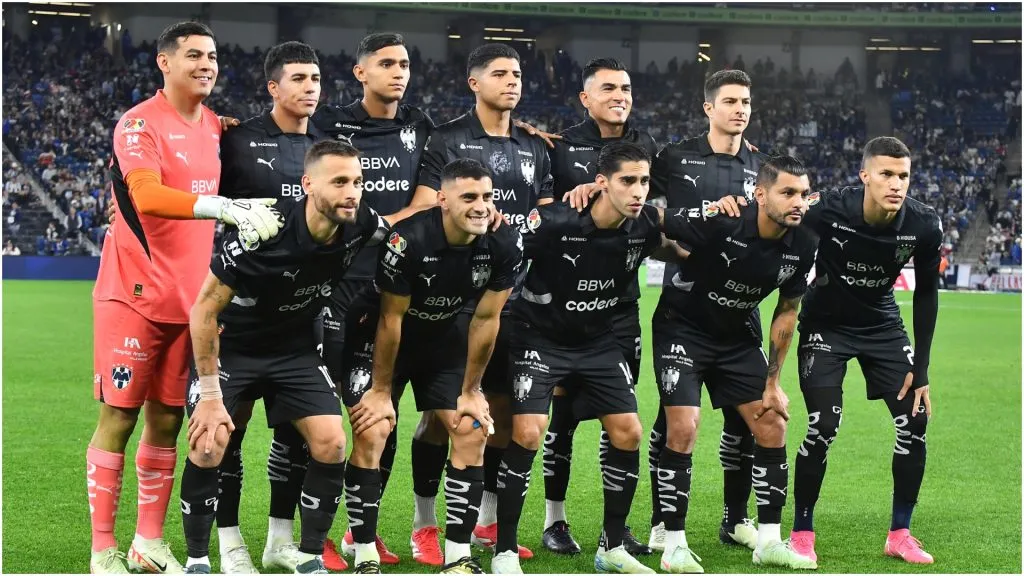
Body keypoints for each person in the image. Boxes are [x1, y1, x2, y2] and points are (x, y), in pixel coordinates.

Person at [87, 21, 282, 574]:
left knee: (169, 421)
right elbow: (146, 195)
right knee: (119, 419)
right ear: (164, 62)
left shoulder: (220, 128)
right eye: (194, 54)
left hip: (191, 302)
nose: (207, 64)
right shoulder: (138, 124)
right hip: (132, 294)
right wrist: (222, 207)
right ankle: (104, 548)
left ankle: (147, 544)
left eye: (213, 56)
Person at [180, 140, 390, 575]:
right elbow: (203, 310)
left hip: (294, 351)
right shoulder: (264, 230)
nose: (352, 192)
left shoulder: (361, 220)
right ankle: (197, 561)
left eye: (358, 182)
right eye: (340, 182)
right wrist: (212, 395)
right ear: (307, 184)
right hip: (233, 348)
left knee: (332, 442)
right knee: (209, 440)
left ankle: (307, 553)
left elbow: (406, 231)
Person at [493, 142, 675, 575]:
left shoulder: (645, 224)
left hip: (598, 343)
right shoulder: (554, 220)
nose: (638, 191)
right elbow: (508, 259)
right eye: (627, 181)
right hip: (539, 337)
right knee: (529, 432)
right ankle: (503, 549)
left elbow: (679, 245)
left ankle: (611, 547)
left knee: (628, 431)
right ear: (601, 184)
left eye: (644, 181)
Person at [406, 42, 554, 562]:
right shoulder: (446, 138)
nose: (512, 81)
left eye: (517, 74)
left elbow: (544, 214)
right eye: (499, 73)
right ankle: (425, 523)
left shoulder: (534, 146)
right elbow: (426, 207)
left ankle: (487, 521)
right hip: (454, 299)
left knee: (505, 414)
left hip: (516, 300)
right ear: (474, 82)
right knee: (439, 416)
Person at [342, 158, 523, 574]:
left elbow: (485, 319)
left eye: (487, 197)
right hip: (379, 338)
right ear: (442, 199)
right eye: (469, 197)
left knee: (471, 427)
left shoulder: (503, 243)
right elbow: (391, 320)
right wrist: (381, 391)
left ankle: (459, 555)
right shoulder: (409, 240)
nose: (481, 207)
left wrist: (472, 390)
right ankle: (365, 551)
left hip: (441, 339)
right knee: (374, 429)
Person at [649, 155, 818, 573]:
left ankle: (769, 542)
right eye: (787, 193)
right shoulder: (724, 219)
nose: (798, 202)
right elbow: (656, 218)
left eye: (803, 193)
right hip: (681, 328)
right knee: (684, 427)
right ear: (760, 194)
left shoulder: (805, 241)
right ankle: (673, 545)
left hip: (737, 336)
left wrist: (773, 381)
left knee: (772, 421)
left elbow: (787, 310)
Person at [310, 32, 435, 567]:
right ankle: (303, 535)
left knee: (378, 418)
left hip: (390, 294)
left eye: (405, 64)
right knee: (311, 421)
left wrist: (374, 227)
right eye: (386, 63)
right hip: (332, 296)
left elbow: (429, 200)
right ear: (360, 72)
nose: (398, 72)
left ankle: (364, 530)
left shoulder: (421, 127)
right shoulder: (329, 124)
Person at [785, 136, 940, 565]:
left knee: (916, 418)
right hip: (826, 326)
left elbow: (927, 295)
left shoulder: (925, 225)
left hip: (881, 325)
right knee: (823, 425)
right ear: (865, 176)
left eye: (904, 176)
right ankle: (801, 532)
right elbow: (785, 233)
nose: (896, 184)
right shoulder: (829, 208)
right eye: (886, 174)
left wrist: (921, 369)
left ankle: (900, 533)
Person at [212, 40, 328, 574]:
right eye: (299, 78)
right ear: (273, 87)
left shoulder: (328, 148)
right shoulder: (234, 140)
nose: (310, 88)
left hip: (302, 321)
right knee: (225, 435)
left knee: (296, 435)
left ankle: (280, 541)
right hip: (237, 316)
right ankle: (231, 544)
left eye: (316, 78)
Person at [541, 57, 659, 557]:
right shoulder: (561, 148)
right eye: (608, 87)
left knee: (621, 417)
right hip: (566, 310)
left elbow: (659, 210)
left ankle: (617, 528)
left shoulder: (649, 147)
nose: (620, 95)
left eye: (626, 87)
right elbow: (540, 212)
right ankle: (555, 520)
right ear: (585, 98)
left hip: (621, 309)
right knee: (563, 418)